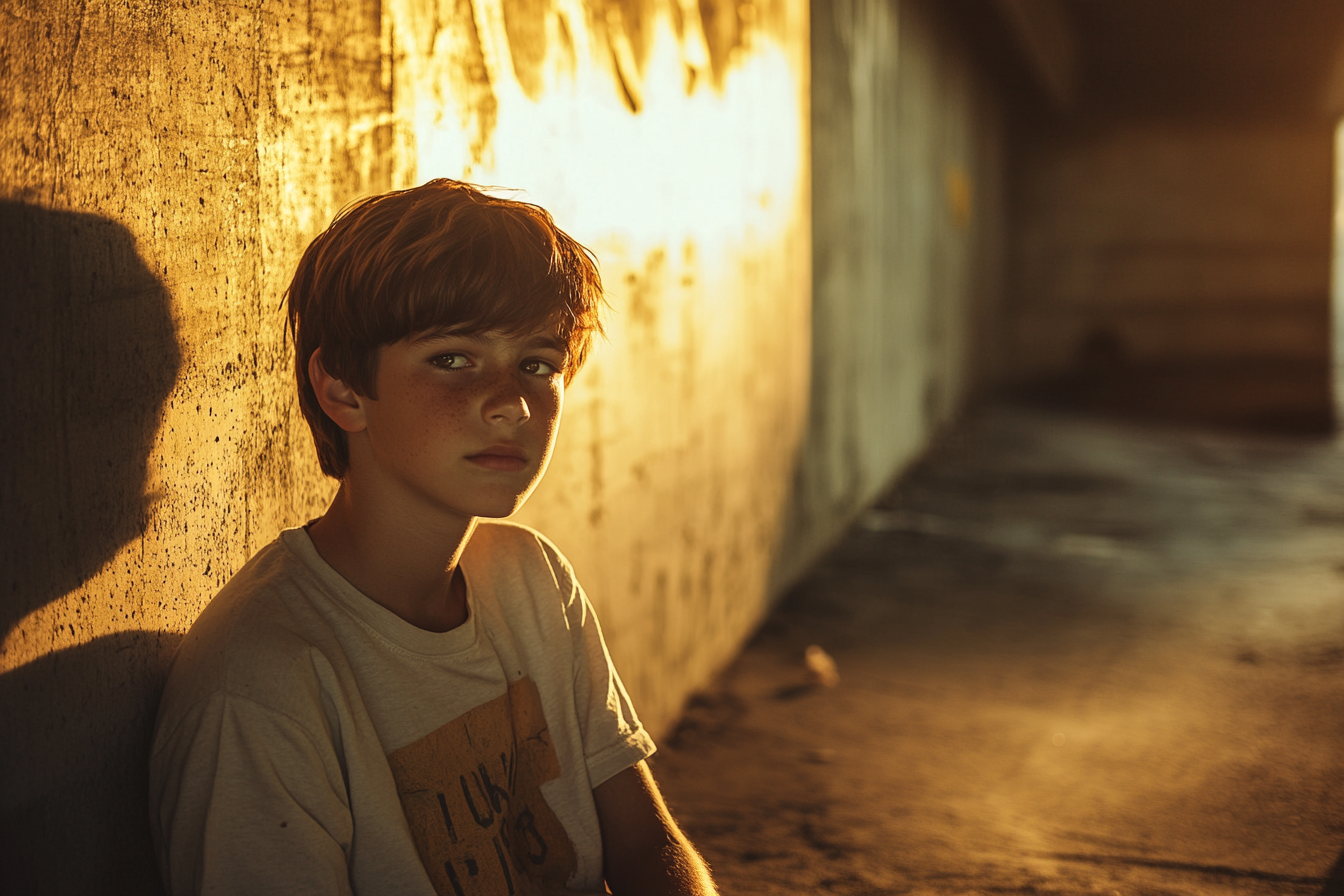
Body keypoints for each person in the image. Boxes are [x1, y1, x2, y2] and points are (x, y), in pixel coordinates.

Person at [149, 179, 718, 896]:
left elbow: (647, 845)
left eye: (537, 365)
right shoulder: (262, 687)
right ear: (342, 391)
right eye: (453, 359)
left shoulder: (530, 580)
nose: (512, 402)